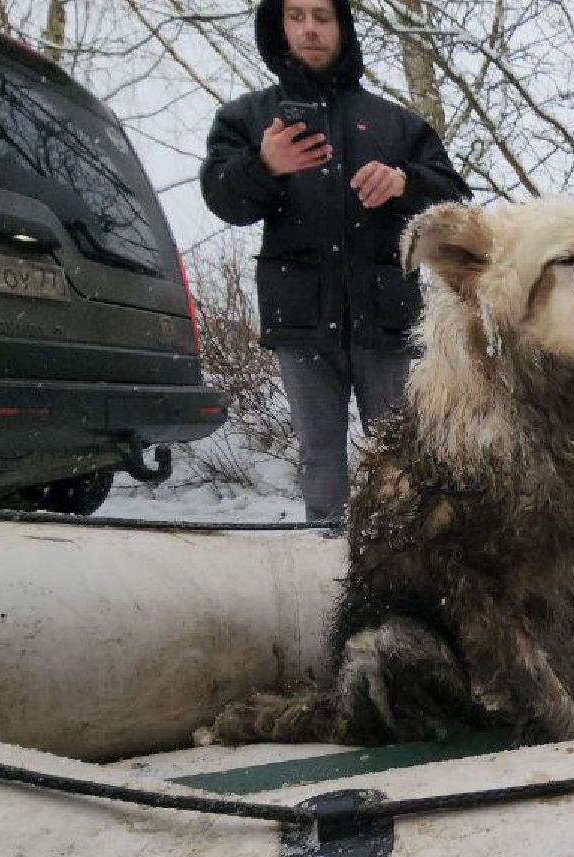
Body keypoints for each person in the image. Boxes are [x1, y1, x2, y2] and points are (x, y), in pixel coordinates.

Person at [200, 0, 471, 522]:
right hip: (300, 320)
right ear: (278, 27)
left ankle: (402, 570)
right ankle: (327, 574)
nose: (310, 28)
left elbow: (455, 202)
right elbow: (222, 200)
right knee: (320, 462)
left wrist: (403, 183)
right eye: (296, 16)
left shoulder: (395, 123)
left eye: (322, 16)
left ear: (342, 28)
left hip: (387, 321)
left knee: (400, 462)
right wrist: (264, 166)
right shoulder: (247, 119)